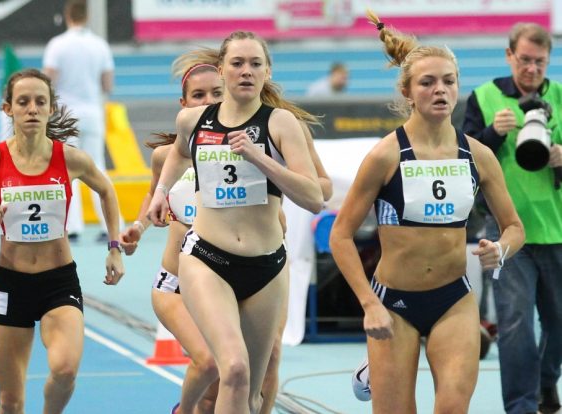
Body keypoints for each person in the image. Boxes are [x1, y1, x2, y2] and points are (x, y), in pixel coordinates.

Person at [329, 11, 525, 414]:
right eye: (428, 82)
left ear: (458, 87)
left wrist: (501, 250)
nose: (440, 91)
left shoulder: (479, 154)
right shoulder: (385, 155)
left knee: (453, 407)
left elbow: (514, 228)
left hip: (454, 300)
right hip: (393, 305)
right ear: (408, 92)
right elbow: (341, 235)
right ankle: (376, 367)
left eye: (449, 81)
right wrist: (368, 304)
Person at [122, 47, 332, 414]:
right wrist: (147, 214)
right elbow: (170, 165)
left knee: (254, 375)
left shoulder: (279, 126)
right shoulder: (189, 133)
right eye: (237, 64)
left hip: (263, 261)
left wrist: (274, 176)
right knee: (222, 366)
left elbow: (319, 191)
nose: (209, 100)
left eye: (254, 64)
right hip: (196, 265)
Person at [0, 68, 125, 414]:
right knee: (10, 401)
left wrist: (114, 248)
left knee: (64, 370)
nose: (32, 109)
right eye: (23, 102)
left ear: (51, 109)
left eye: (40, 102)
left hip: (58, 282)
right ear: (8, 109)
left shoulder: (70, 159)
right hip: (11, 284)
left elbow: (107, 190)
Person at [462, 22, 562, 414]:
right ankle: (521, 406)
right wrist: (493, 132)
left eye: (540, 61)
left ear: (548, 60)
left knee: (559, 323)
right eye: (524, 60)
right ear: (509, 55)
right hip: (506, 231)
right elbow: (463, 159)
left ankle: (544, 382)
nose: (532, 69)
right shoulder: (484, 97)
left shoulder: (561, 96)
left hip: (557, 228)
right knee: (516, 323)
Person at [43, 0, 119, 242]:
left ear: (67, 15)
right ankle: (110, 226)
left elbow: (48, 81)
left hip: (66, 115)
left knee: (66, 169)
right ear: (87, 16)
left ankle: (72, 227)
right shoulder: (100, 45)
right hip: (93, 113)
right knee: (97, 167)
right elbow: (108, 85)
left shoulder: (57, 45)